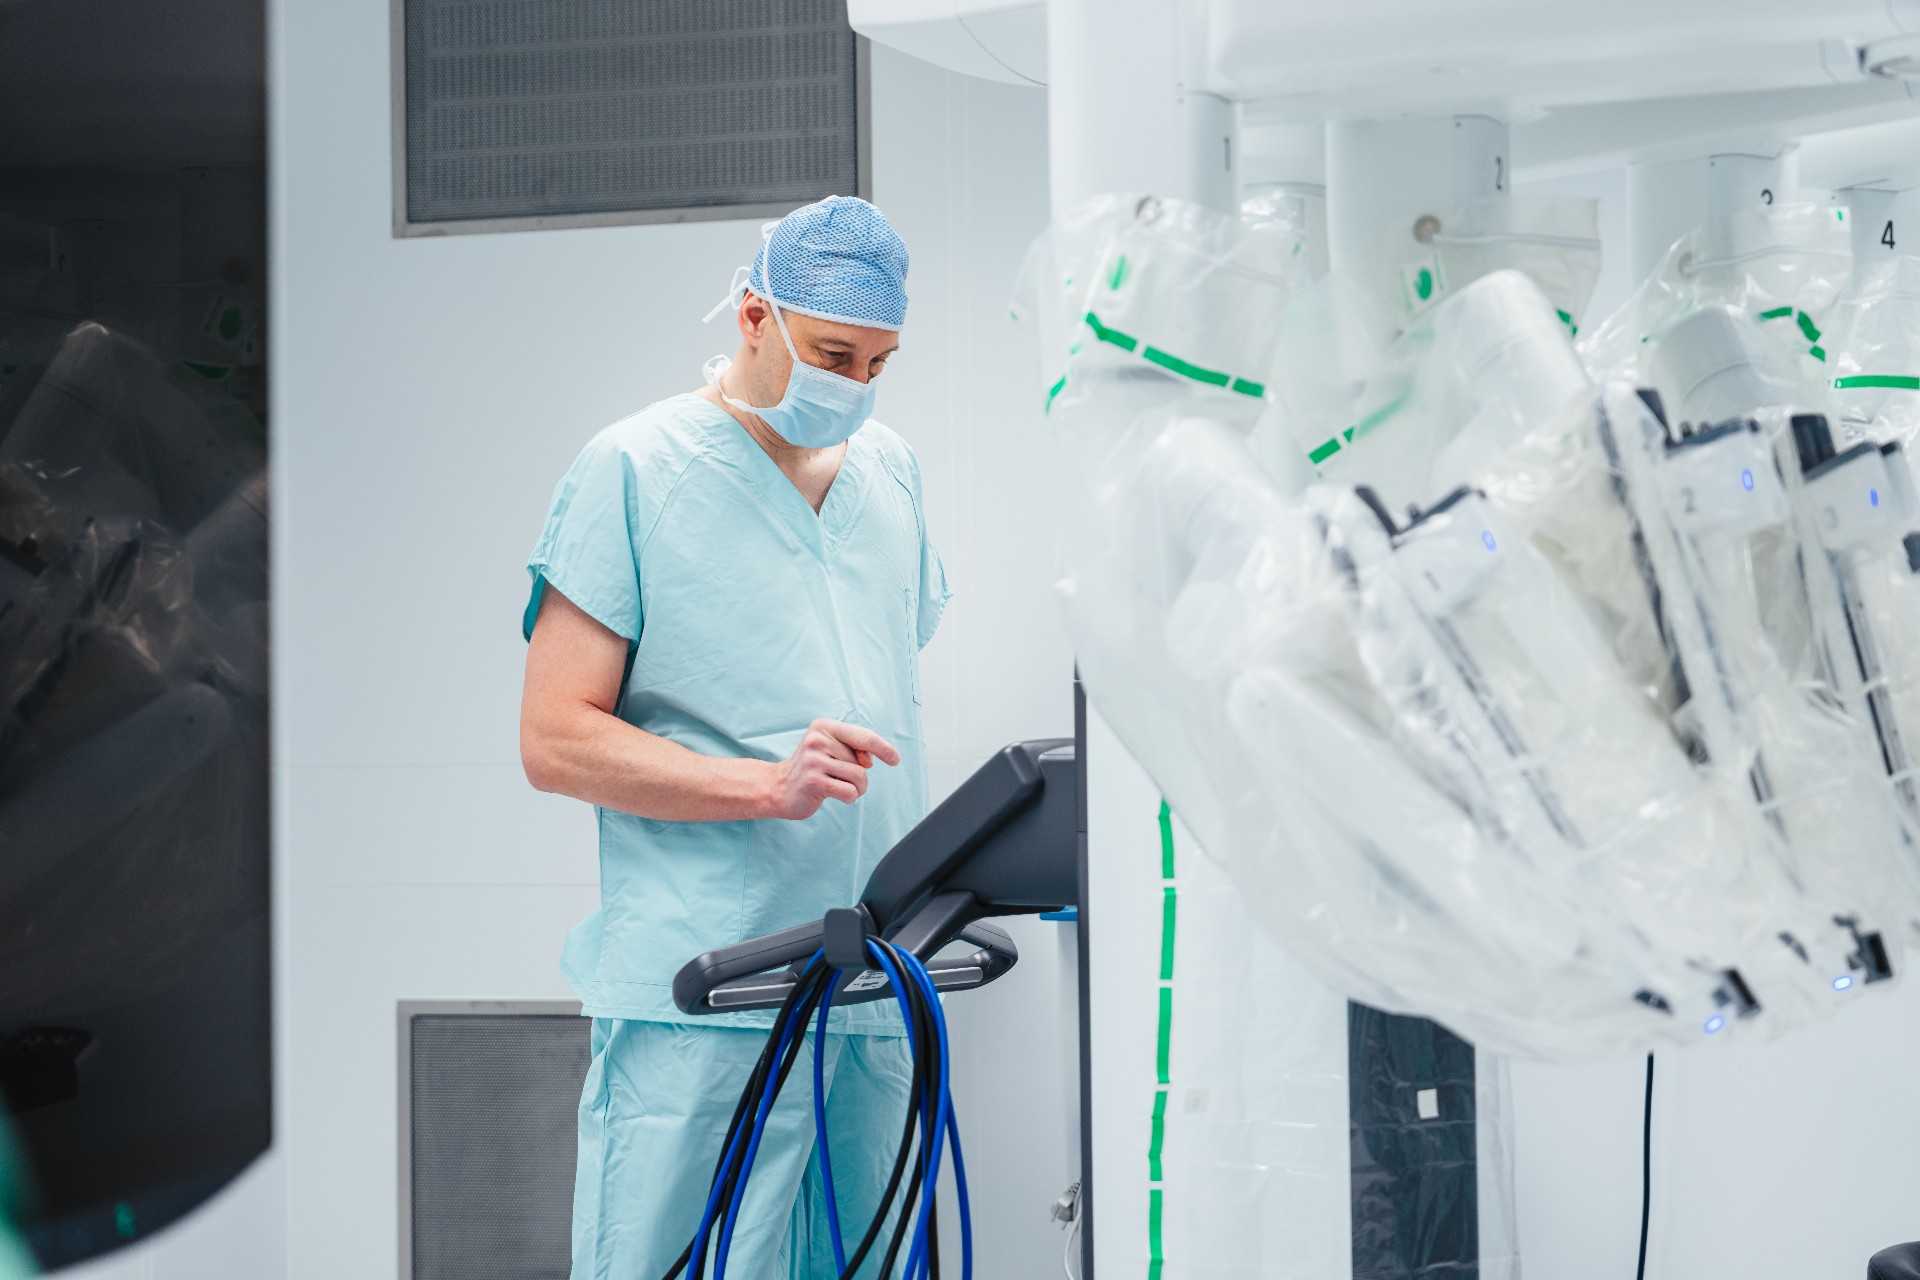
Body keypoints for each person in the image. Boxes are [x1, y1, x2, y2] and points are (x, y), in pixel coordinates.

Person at [518, 195, 949, 1278]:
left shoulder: (891, 473)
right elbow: (554, 737)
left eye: (880, 364)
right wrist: (765, 787)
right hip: (709, 993)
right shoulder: (635, 468)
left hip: (869, 990)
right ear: (755, 316)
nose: (856, 386)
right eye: (835, 354)